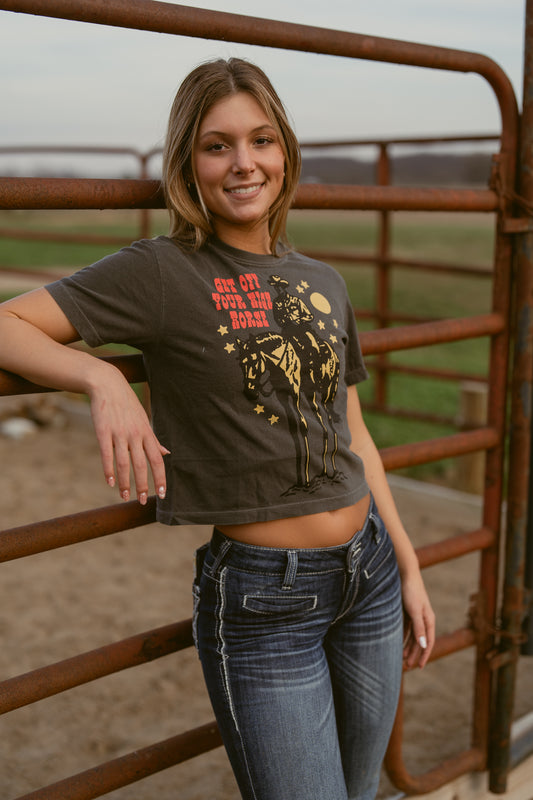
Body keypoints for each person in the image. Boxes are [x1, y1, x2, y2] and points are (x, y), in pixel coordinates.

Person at [0, 58, 435, 800]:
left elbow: (353, 437)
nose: (243, 163)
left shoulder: (322, 281)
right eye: (217, 145)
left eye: (261, 140)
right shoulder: (162, 271)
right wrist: (101, 376)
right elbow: (8, 321)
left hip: (370, 576)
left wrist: (407, 561)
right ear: (188, 164)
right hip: (267, 602)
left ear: (284, 153)